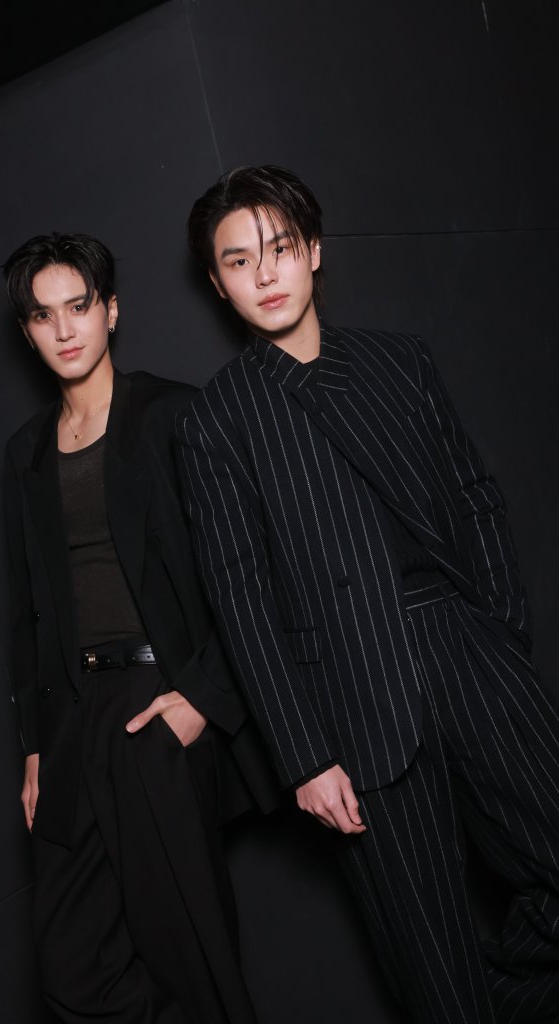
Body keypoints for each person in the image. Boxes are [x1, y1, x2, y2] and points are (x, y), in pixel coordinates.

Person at [175, 164, 559, 1024]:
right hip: (349, 698)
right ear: (217, 283)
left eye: (279, 248)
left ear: (314, 251)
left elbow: (474, 498)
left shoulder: (397, 360)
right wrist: (305, 755)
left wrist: (499, 634)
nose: (264, 273)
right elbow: (240, 601)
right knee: (429, 956)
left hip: (462, 646)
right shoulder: (216, 420)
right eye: (238, 260)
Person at [1, 231, 279, 1024]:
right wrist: (33, 747)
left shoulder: (172, 415)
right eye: (43, 315)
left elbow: (251, 571)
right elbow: (26, 612)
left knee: (192, 959)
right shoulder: (23, 454)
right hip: (70, 720)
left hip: (156, 704)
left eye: (79, 306)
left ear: (111, 311)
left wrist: (202, 699)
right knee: (72, 967)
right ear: (27, 330)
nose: (64, 329)